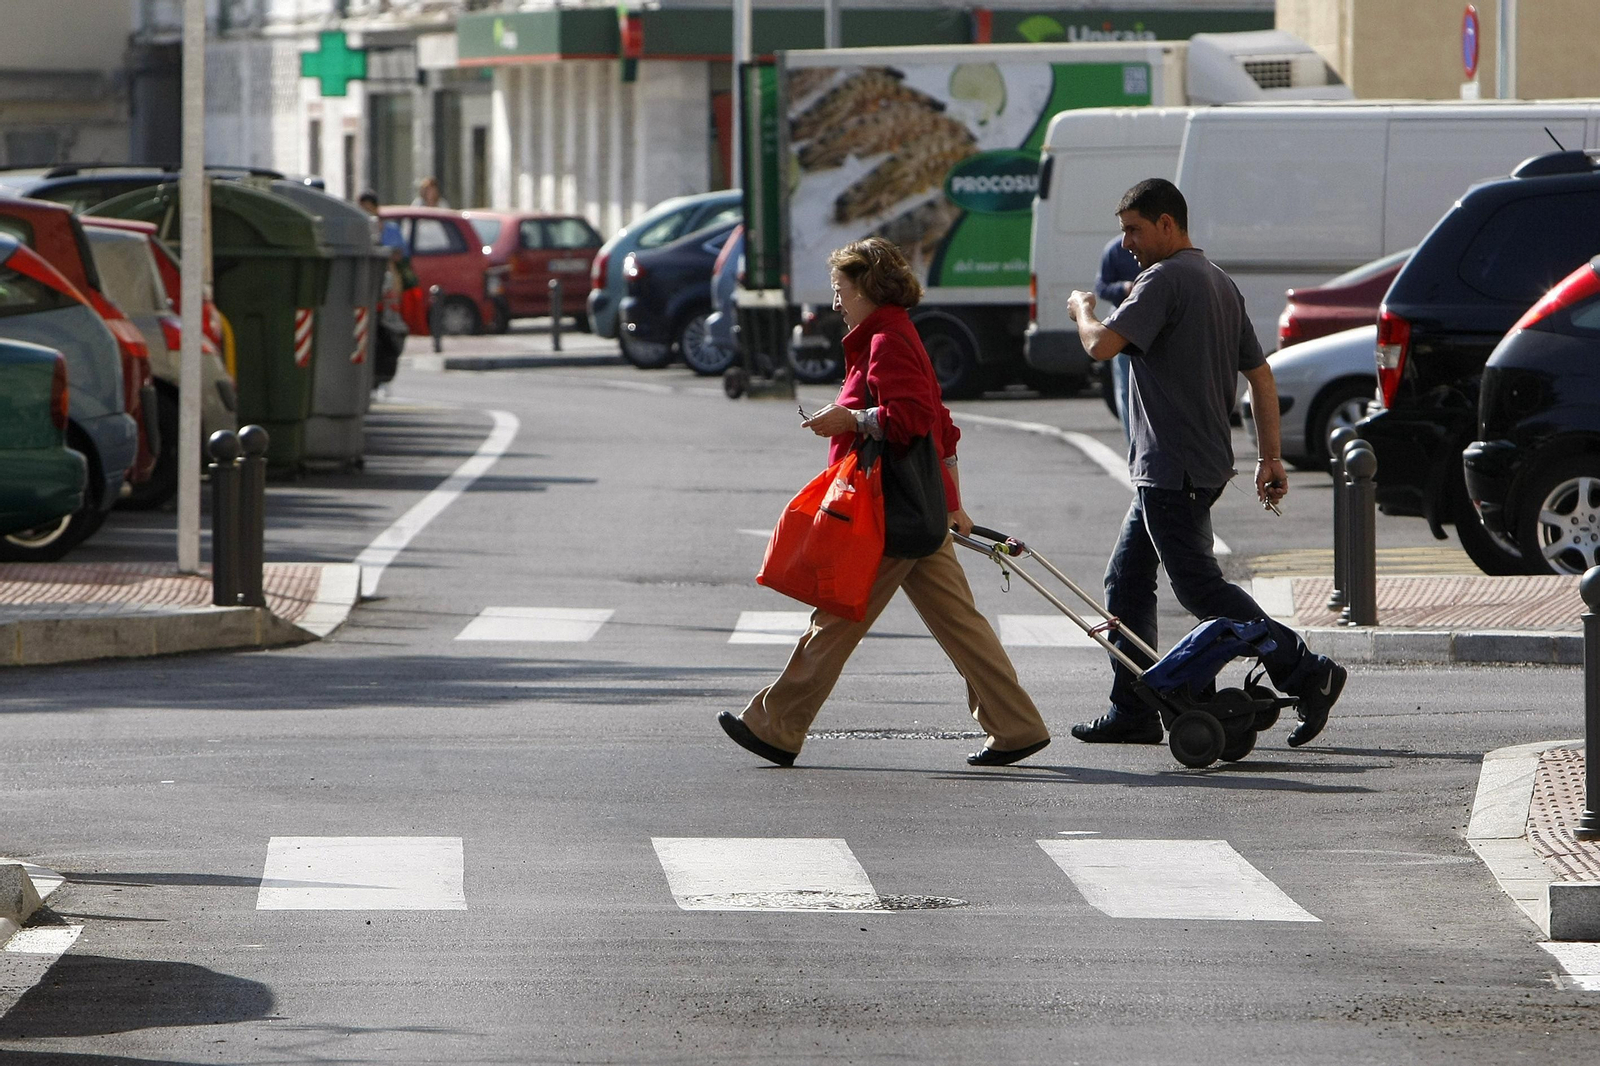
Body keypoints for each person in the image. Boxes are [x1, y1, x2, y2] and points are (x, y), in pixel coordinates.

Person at [719, 237, 1053, 769]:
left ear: (868, 288)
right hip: (915, 510)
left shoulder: (887, 341)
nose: (835, 304)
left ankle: (776, 725)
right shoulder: (892, 334)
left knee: (835, 618)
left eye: (840, 291)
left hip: (887, 510)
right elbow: (941, 425)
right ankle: (1016, 725)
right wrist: (952, 502)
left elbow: (915, 420)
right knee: (960, 624)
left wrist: (848, 419)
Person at [1064, 178, 1346, 748]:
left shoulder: (1164, 279)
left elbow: (1099, 346)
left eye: (1134, 230)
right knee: (1127, 580)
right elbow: (1261, 374)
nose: (1127, 244)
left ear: (1168, 224)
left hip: (1173, 469)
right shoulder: (1219, 281)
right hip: (1186, 466)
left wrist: (1082, 309)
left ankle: (1306, 670)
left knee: (1201, 591)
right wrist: (1270, 457)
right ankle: (1134, 708)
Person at [1094, 234, 1142, 443]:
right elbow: (1101, 287)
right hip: (1121, 326)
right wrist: (1123, 288)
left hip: (1153, 325)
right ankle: (1133, 442)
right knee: (1125, 389)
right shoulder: (1114, 249)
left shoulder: (1155, 247)